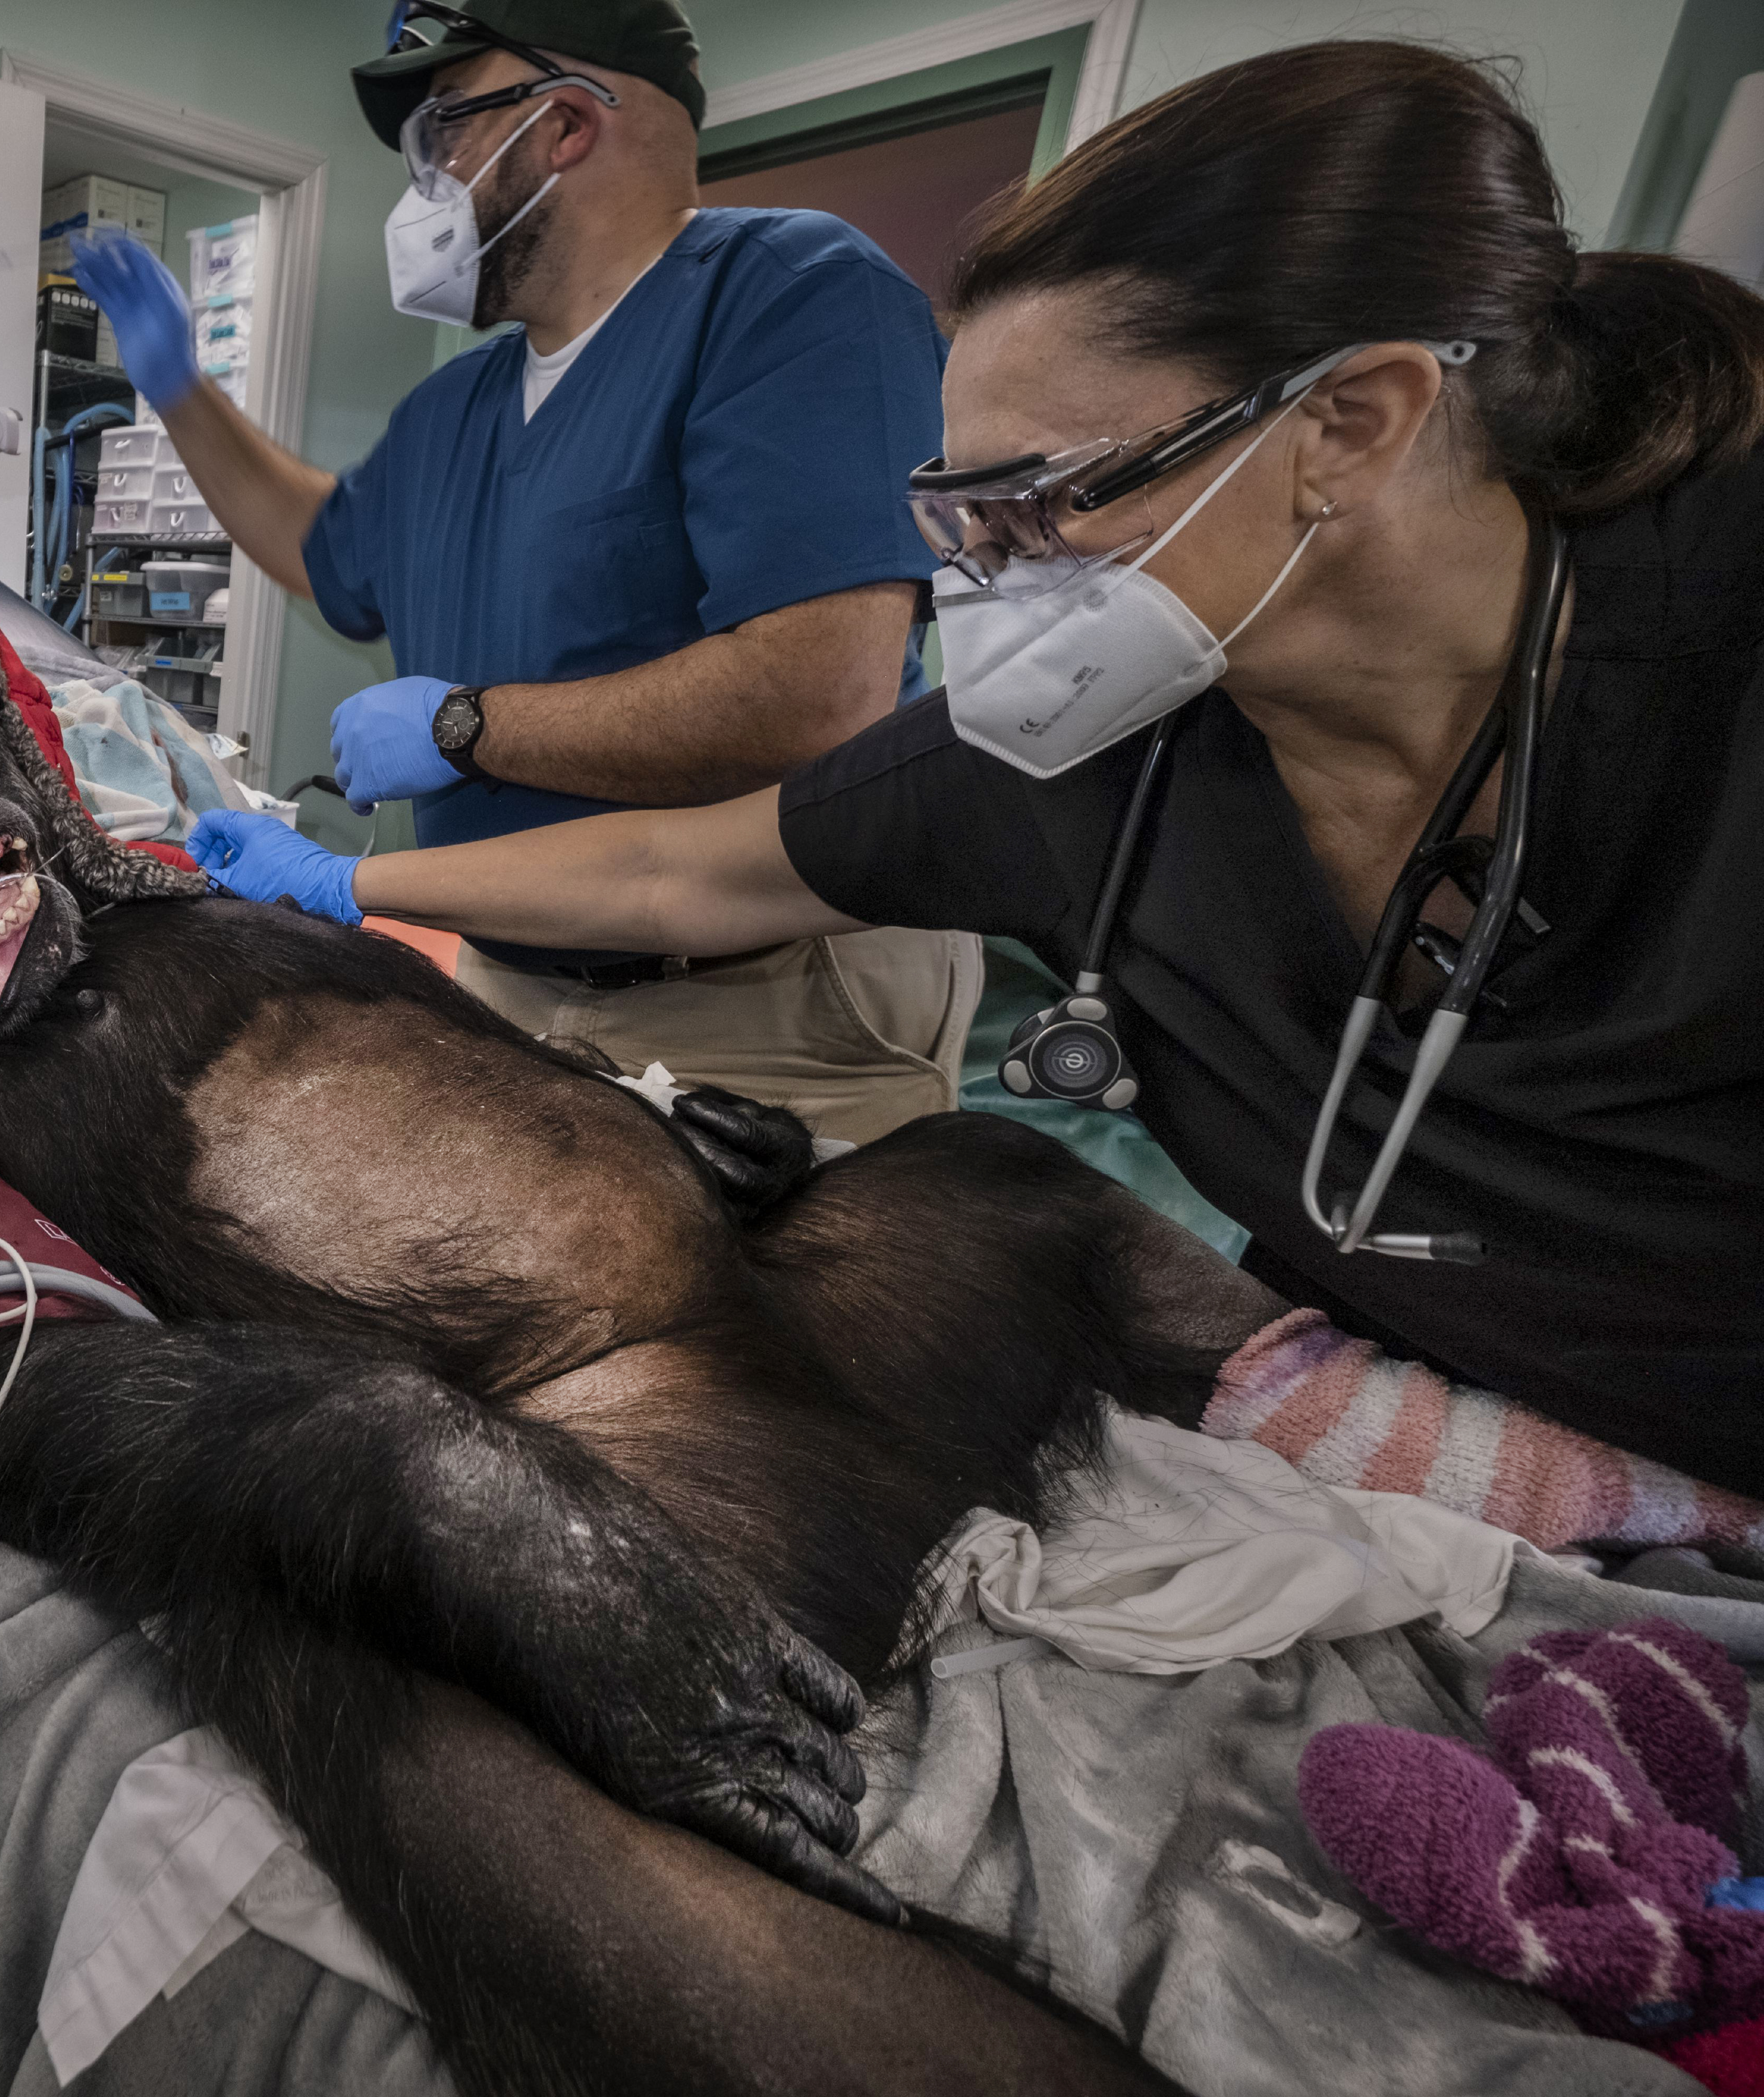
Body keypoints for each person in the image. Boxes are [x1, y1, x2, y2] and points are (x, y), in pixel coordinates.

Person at [192, 41, 1764, 1495]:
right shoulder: (1089, 752)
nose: (992, 583)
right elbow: (686, 863)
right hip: (1367, 1430)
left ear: (1350, 422)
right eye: (959, 516)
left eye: (1045, 500)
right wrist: (336, 877)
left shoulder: (1713, 682)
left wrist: (471, 727)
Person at [70, 0, 978, 1144]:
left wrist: (466, 728)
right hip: (507, 974)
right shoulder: (457, 404)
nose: (429, 181)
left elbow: (818, 693)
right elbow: (323, 548)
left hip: (767, 994)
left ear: (560, 126)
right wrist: (180, 392)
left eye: (445, 131)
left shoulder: (793, 296)